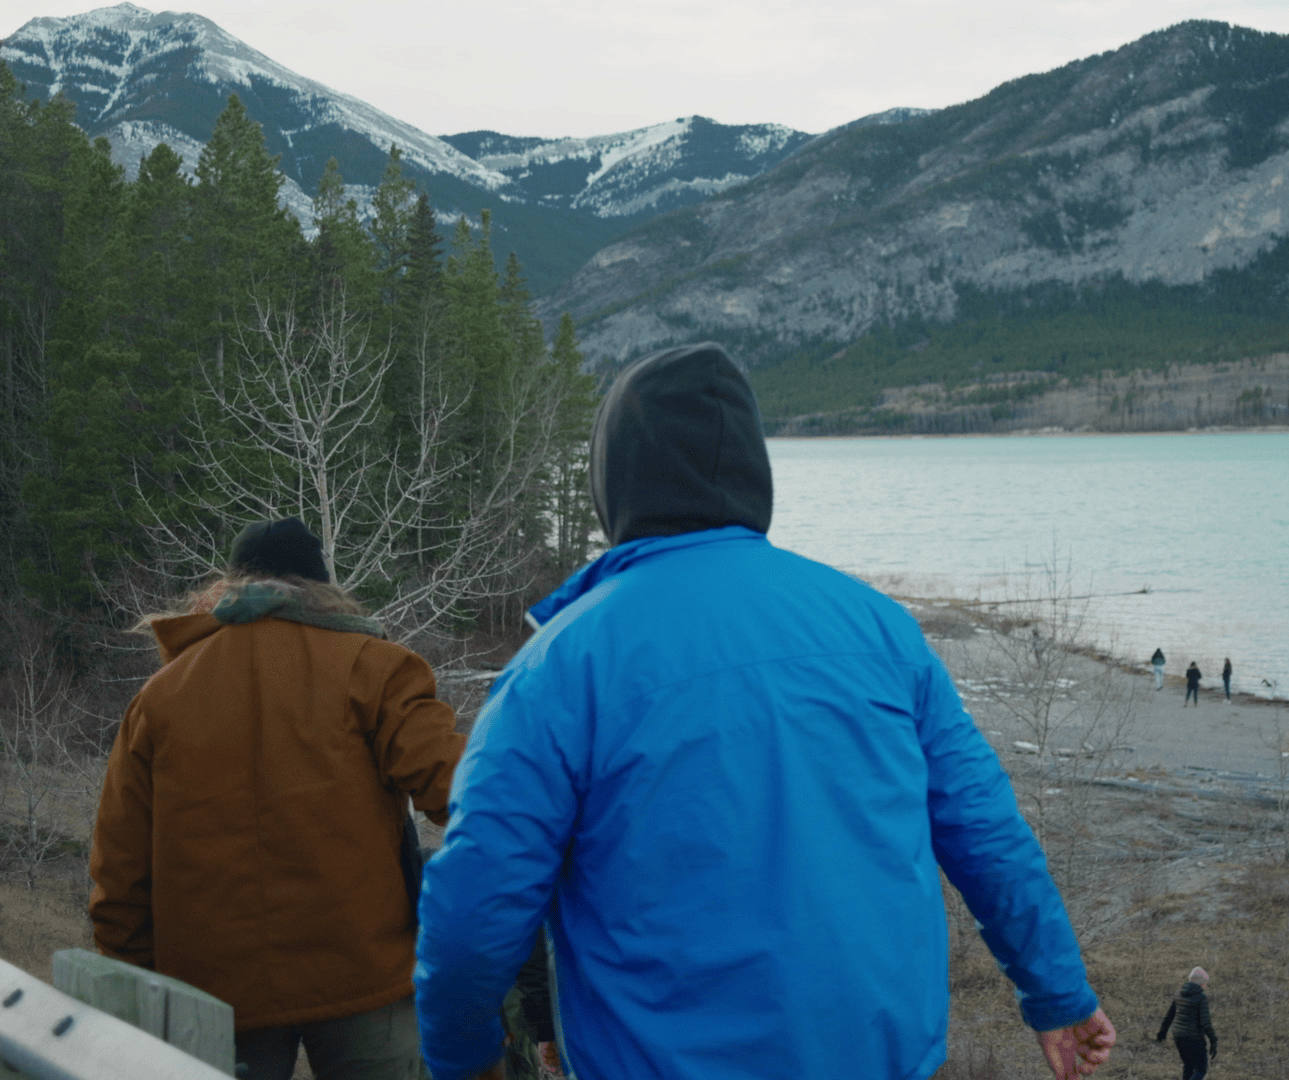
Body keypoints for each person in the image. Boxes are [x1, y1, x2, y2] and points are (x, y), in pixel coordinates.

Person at [412, 344, 1115, 1080]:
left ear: (614, 482)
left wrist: (465, 1062)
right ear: (753, 473)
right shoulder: (880, 629)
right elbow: (988, 833)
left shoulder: (558, 668)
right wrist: (1057, 992)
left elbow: (472, 916)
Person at [90, 517, 464, 1080]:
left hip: (212, 998)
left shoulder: (160, 698)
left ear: (228, 586)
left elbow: (119, 869)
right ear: (322, 587)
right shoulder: (374, 667)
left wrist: (139, 981)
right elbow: (462, 791)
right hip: (362, 976)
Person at [1154, 966, 1219, 1080]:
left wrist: (1162, 1032)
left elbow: (1169, 1016)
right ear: (1199, 983)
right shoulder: (1201, 998)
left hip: (1178, 1036)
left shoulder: (1178, 994)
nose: (1205, 986)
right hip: (1195, 1038)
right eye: (1204, 983)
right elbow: (1205, 1023)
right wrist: (1213, 1040)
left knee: (1188, 1066)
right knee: (1201, 1069)